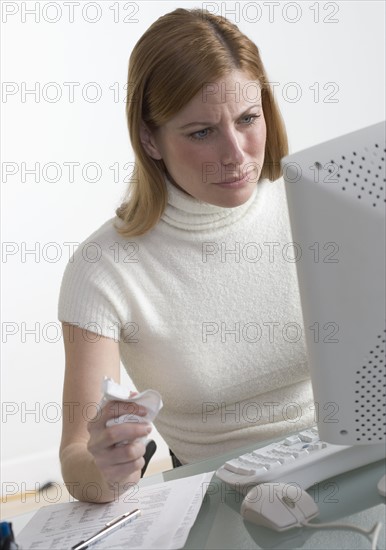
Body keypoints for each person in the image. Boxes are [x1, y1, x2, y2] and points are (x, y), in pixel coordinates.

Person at [58, 7, 315, 504]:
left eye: (248, 119)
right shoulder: (103, 269)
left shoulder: (317, 206)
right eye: (201, 132)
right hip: (220, 498)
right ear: (150, 139)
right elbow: (76, 459)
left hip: (353, 459)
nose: (237, 154)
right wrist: (108, 469)